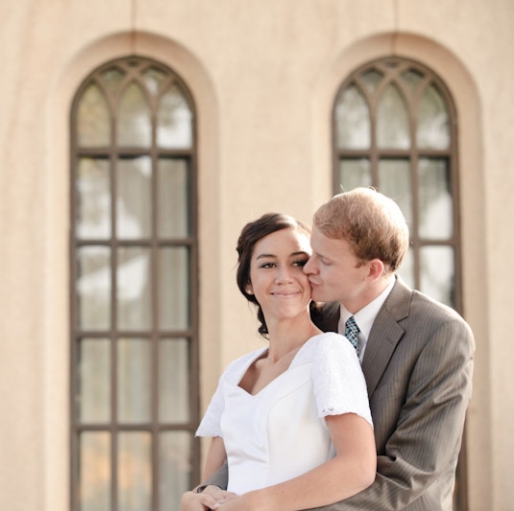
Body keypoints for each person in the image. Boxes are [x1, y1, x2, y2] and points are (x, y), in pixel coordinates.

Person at [185, 188, 475, 510]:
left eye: (323, 260)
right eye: (311, 254)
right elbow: (258, 439)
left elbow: (407, 472)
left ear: (371, 270)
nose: (308, 269)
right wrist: (206, 493)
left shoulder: (440, 333)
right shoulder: (316, 320)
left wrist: (273, 505)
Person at [183, 212, 377, 511]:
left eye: (298, 263)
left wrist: (258, 502)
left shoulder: (329, 351)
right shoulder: (235, 372)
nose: (284, 276)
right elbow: (212, 480)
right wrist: (194, 497)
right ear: (248, 282)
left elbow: (358, 468)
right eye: (268, 264)